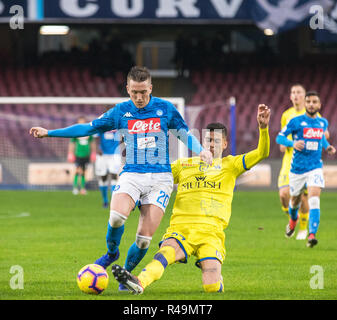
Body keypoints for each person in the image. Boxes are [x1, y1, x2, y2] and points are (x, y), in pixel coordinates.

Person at [29, 66, 213, 276]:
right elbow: (88, 128)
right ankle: (111, 253)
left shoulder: (166, 108)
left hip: (161, 178)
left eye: (143, 92)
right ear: (127, 89)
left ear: (151, 88)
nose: (139, 97)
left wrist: (200, 150)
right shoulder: (120, 111)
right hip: (132, 174)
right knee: (116, 216)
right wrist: (49, 133)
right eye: (134, 92)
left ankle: (125, 275)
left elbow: (184, 133)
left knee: (144, 240)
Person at [110, 104, 271, 294]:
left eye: (216, 141)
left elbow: (262, 153)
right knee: (165, 253)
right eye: (208, 140)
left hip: (211, 233)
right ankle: (139, 281)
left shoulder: (231, 165)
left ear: (225, 144)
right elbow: (155, 177)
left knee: (211, 287)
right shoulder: (185, 164)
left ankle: (216, 278)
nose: (211, 144)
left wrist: (263, 129)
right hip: (181, 228)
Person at [276, 91, 336, 248]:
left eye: (314, 102)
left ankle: (312, 234)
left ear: (319, 105)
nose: (311, 104)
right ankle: (293, 221)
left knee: (314, 198)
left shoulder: (322, 122)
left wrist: (327, 147)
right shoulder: (295, 121)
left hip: (315, 167)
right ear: (305, 104)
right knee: (295, 201)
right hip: (297, 169)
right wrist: (291, 144)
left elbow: (321, 137)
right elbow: (279, 137)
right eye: (308, 101)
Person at [94, 107, 122, 208]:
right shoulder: (101, 121)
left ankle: (114, 201)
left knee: (115, 175)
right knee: (103, 177)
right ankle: (105, 200)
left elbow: (122, 137)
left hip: (115, 153)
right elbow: (96, 136)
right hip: (103, 154)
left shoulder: (118, 122)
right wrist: (98, 148)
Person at [67, 116, 96, 195]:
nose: (81, 123)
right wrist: (70, 153)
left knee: (83, 172)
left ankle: (83, 188)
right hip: (78, 154)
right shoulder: (76, 132)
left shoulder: (88, 132)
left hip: (86, 154)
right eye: (80, 122)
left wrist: (93, 153)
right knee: (77, 171)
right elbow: (72, 143)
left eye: (83, 122)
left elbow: (92, 143)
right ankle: (75, 188)